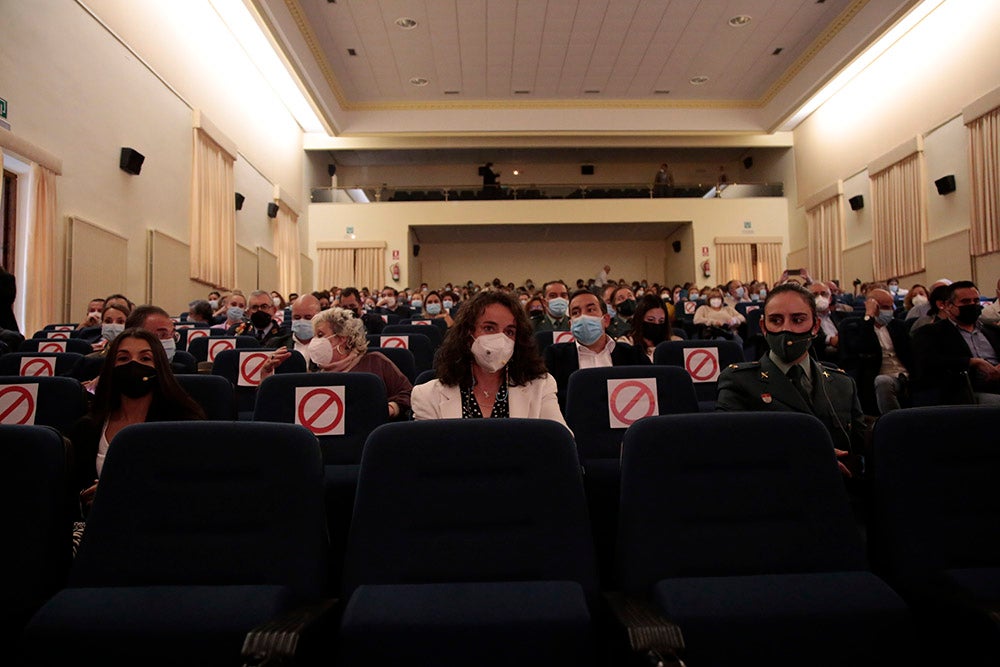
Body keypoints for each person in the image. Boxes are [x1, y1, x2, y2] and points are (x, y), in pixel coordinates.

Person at [716, 283, 866, 478]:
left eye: (798, 320)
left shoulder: (842, 383)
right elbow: (732, 449)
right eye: (776, 320)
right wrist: (807, 456)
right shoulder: (738, 381)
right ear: (763, 327)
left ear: (815, 327)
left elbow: (860, 452)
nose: (786, 329)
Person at [66, 328, 205, 510]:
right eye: (123, 359)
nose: (133, 365)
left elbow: (191, 488)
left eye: (145, 359)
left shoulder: (184, 424)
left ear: (160, 367)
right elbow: (71, 493)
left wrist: (119, 490)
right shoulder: (87, 428)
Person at [411, 290, 566, 427]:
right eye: (489, 328)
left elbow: (559, 445)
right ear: (468, 334)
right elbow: (428, 457)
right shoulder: (426, 396)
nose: (500, 338)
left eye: (509, 332)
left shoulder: (541, 386)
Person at [262, 307, 411, 419]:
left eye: (320, 335)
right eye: (314, 336)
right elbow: (284, 411)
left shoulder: (375, 362)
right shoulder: (313, 371)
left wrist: (392, 408)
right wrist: (267, 378)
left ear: (342, 338)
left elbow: (409, 394)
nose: (315, 341)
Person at [544, 289, 649, 412]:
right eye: (576, 312)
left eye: (591, 310)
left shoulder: (633, 355)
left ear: (606, 320)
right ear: (571, 324)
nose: (583, 316)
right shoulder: (555, 356)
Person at [912, 280, 1000, 404]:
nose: (972, 305)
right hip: (963, 390)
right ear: (948, 305)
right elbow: (927, 363)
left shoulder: (993, 330)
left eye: (976, 301)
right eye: (965, 302)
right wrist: (971, 362)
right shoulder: (931, 333)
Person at [838, 288, 914, 415]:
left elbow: (911, 353)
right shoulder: (854, 327)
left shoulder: (898, 326)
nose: (890, 311)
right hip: (880, 376)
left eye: (891, 306)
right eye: (885, 307)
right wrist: (869, 317)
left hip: (905, 374)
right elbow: (862, 347)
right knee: (883, 381)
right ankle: (895, 420)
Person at [622, 293, 680, 361]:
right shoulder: (626, 343)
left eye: (661, 321)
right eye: (651, 320)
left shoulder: (675, 343)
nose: (656, 324)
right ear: (640, 319)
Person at [268, 293, 321, 364]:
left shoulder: (328, 346)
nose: (302, 321)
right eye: (297, 317)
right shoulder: (276, 344)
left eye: (308, 317)